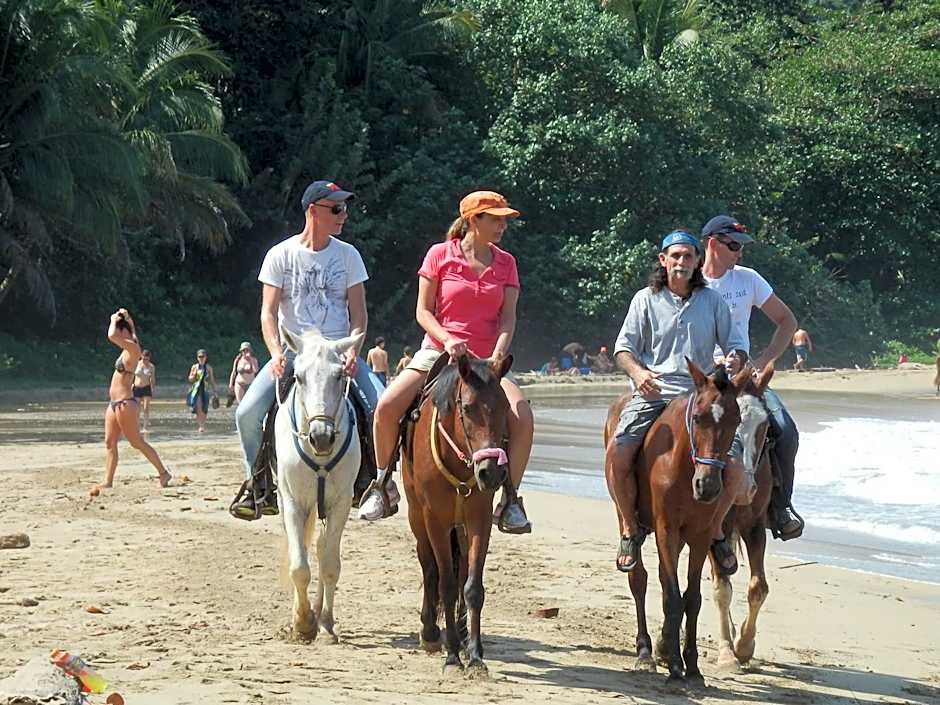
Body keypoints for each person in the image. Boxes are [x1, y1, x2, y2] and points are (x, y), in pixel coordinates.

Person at [359, 190, 534, 533]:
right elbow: (423, 311)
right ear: (473, 220)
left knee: (522, 417)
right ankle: (382, 484)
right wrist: (449, 339)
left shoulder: (506, 263)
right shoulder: (440, 255)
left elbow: (508, 318)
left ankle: (510, 498)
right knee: (386, 407)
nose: (502, 225)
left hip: (487, 360)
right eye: (495, 218)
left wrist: (499, 352)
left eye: (504, 219)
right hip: (439, 352)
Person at [232, 179, 384, 516]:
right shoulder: (280, 255)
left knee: (382, 406)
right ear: (313, 211)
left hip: (337, 354)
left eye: (344, 208)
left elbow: (359, 316)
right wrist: (274, 353)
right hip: (294, 354)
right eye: (336, 209)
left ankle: (375, 483)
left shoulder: (349, 256)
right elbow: (268, 313)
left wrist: (352, 351)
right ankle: (258, 486)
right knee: (246, 414)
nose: (343, 215)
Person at [606, 230, 750, 574]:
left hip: (701, 394)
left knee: (736, 466)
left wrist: (734, 359)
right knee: (619, 452)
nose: (682, 262)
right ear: (663, 260)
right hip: (655, 391)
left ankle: (715, 528)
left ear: (698, 261)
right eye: (676, 256)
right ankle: (629, 528)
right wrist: (639, 374)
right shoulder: (644, 299)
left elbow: (736, 344)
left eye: (688, 256)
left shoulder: (712, 301)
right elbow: (622, 349)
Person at [701, 214, 803, 540]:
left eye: (740, 247)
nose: (739, 253)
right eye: (733, 246)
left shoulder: (748, 280)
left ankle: (781, 507)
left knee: (786, 431)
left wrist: (762, 360)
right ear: (713, 243)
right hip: (703, 380)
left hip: (744, 378)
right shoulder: (691, 283)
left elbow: (787, 320)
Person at [100, 309, 171, 490]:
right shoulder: (128, 347)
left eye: (121, 330)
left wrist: (113, 319)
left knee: (136, 441)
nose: (119, 333)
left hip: (126, 403)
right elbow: (128, 333)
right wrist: (129, 321)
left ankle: (163, 472)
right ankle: (108, 481)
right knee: (109, 442)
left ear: (123, 333)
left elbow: (111, 335)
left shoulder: (133, 349)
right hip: (113, 403)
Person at [187, 349, 217, 433]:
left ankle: (202, 424)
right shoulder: (194, 367)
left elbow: (212, 380)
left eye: (203, 357)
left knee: (205, 408)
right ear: (197, 358)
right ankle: (201, 426)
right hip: (196, 389)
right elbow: (190, 379)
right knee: (198, 407)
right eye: (199, 357)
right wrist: (194, 374)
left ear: (206, 357)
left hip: (205, 389)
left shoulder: (208, 368)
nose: (201, 358)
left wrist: (215, 392)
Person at [132, 349, 156, 432]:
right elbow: (131, 375)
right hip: (137, 387)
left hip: (146, 387)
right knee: (137, 408)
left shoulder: (151, 366)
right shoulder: (137, 364)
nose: (145, 361)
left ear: (149, 358)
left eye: (146, 359)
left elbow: (152, 379)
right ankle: (136, 426)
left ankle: (145, 427)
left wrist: (152, 388)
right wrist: (131, 384)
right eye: (143, 359)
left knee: (146, 408)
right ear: (141, 357)